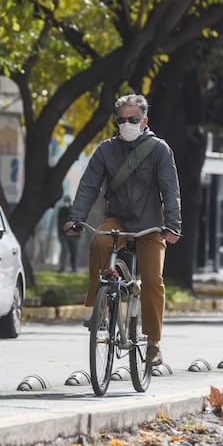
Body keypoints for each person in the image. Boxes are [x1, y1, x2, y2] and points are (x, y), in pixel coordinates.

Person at [64, 93, 182, 366]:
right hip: (117, 219)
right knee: (99, 242)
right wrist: (76, 218)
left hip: (151, 225)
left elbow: (171, 190)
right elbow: (88, 187)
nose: (127, 123)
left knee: (153, 280)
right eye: (122, 119)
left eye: (133, 119)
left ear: (144, 121)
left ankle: (153, 343)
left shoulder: (159, 150)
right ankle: (100, 308)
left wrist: (173, 225)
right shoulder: (106, 150)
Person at [56, 196, 80, 272]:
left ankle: (74, 268)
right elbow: (59, 223)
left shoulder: (75, 211)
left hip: (74, 235)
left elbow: (79, 222)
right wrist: (60, 234)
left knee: (74, 252)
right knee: (64, 250)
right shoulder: (62, 210)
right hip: (64, 235)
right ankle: (62, 267)